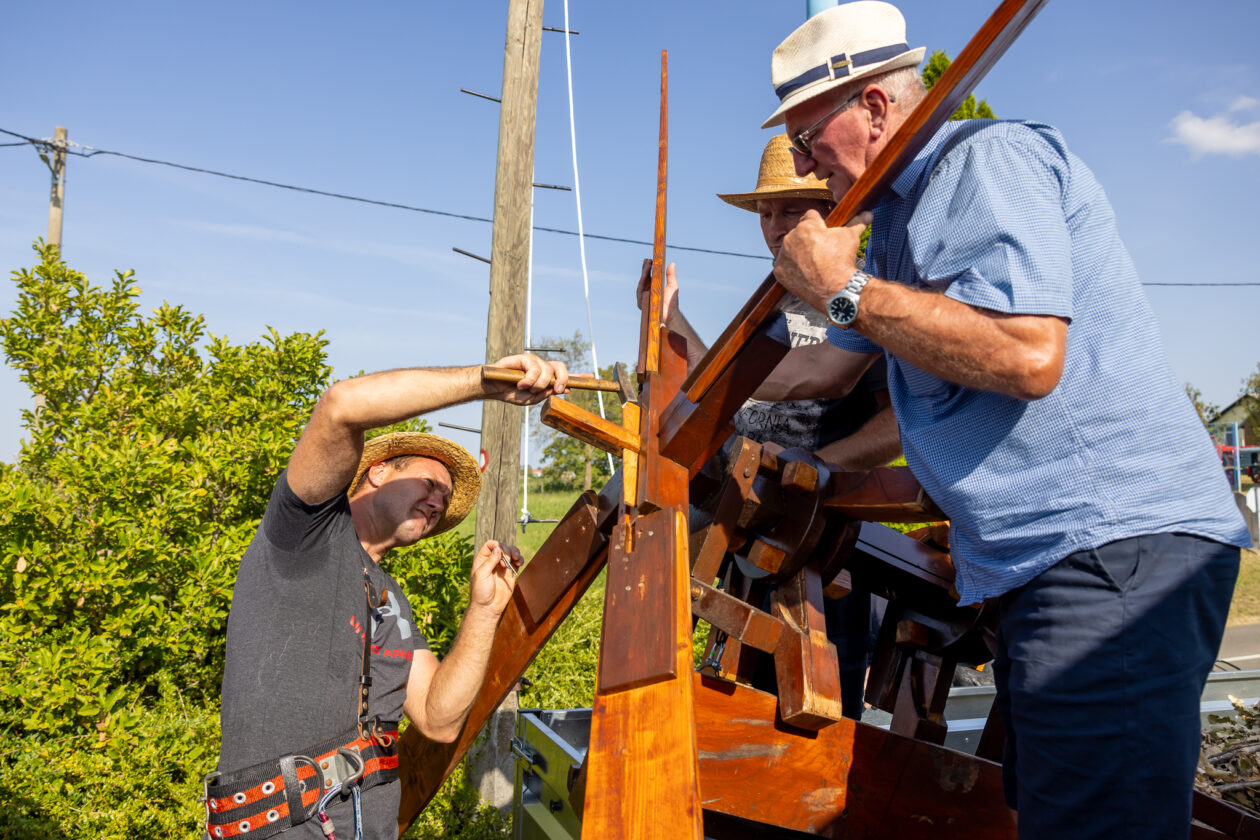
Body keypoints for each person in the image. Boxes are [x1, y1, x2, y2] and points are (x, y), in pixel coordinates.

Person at [761, 3, 1251, 837]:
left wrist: (836, 289)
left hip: (1110, 548)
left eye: (811, 138)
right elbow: (820, 367)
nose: (809, 164)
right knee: (1054, 814)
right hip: (1058, 563)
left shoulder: (980, 161)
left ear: (877, 107)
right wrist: (679, 386)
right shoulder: (901, 229)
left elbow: (1027, 357)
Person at [202, 355, 570, 840]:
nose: (440, 501)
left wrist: (484, 610)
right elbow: (340, 406)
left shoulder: (391, 597)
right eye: (430, 482)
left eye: (445, 499)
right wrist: (487, 384)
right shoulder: (306, 530)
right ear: (376, 472)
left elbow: (438, 718)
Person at [638, 134, 902, 719]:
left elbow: (903, 422)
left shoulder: (869, 299)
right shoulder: (770, 305)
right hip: (744, 540)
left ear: (834, 211)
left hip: (824, 554)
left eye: (792, 210)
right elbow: (727, 394)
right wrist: (670, 322)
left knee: (814, 724)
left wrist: (825, 469)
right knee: (725, 708)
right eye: (765, 211)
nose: (775, 226)